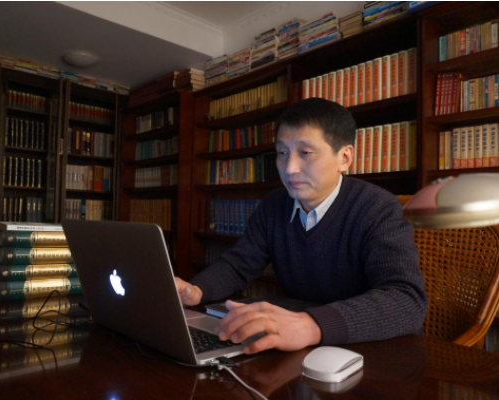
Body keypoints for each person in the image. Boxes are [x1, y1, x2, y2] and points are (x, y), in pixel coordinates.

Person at [175, 97, 427, 355]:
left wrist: (310, 325)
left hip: (372, 350)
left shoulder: (378, 208)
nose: (290, 168)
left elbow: (406, 299)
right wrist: (196, 290)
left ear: (344, 158)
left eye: (305, 153)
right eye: (282, 153)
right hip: (300, 347)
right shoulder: (274, 205)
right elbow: (238, 265)